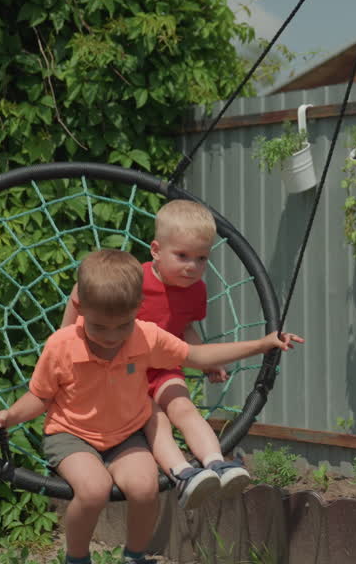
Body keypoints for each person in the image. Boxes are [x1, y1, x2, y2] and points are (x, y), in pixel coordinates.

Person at [0, 249, 303, 564]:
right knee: (94, 490)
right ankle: (76, 557)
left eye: (122, 325)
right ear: (81, 308)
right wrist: (7, 417)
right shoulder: (62, 345)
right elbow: (40, 397)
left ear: (137, 309)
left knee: (145, 488)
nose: (112, 336)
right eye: (100, 327)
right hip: (71, 434)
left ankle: (135, 556)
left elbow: (197, 356)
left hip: (125, 435)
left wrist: (262, 344)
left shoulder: (145, 336)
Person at [61, 199, 246, 510]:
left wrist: (205, 360)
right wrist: (67, 335)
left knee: (184, 408)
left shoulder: (196, 290)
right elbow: (84, 306)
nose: (193, 266)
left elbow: (183, 329)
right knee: (155, 420)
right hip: (123, 372)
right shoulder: (135, 280)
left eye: (202, 258)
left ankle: (216, 463)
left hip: (164, 367)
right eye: (183, 256)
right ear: (156, 250)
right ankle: (182, 473)